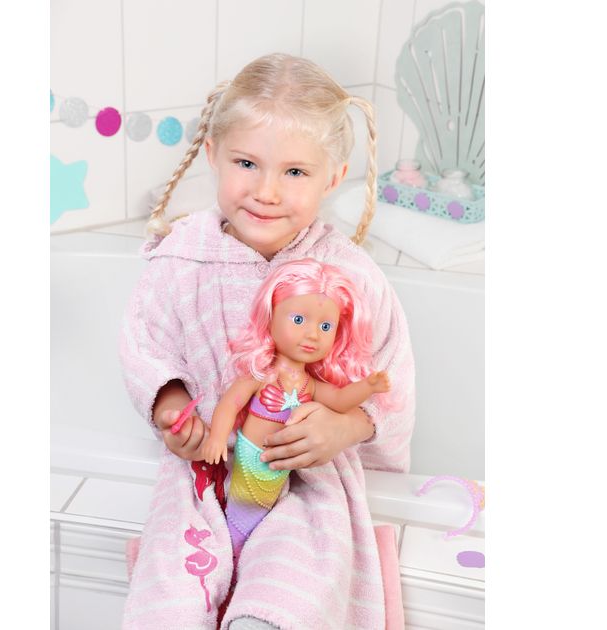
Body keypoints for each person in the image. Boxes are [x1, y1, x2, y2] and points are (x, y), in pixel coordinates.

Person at [118, 52, 416, 630]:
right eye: (247, 163)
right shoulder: (180, 259)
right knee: (172, 593)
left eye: (295, 173)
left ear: (334, 178)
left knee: (290, 591)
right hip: (203, 474)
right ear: (213, 154)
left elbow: (390, 375)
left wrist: (347, 426)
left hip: (306, 481)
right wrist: (172, 408)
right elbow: (146, 346)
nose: (266, 191)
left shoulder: (351, 275)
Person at [199, 259, 393, 561]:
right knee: (239, 518)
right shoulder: (261, 373)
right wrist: (216, 438)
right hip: (250, 458)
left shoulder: (308, 384)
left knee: (263, 520)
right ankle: (231, 555)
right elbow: (231, 403)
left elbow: (340, 400)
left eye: (325, 327)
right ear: (271, 318)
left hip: (280, 470)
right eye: (299, 320)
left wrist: (368, 387)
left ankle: (252, 556)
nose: (313, 334)